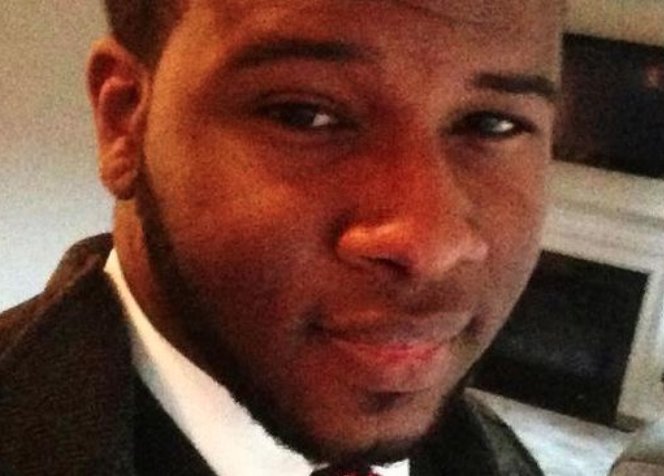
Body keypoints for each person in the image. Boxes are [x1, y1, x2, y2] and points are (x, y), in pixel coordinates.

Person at [0, 0, 563, 474]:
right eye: (303, 114)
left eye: (493, 124)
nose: (432, 246)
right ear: (124, 119)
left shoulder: (497, 455)